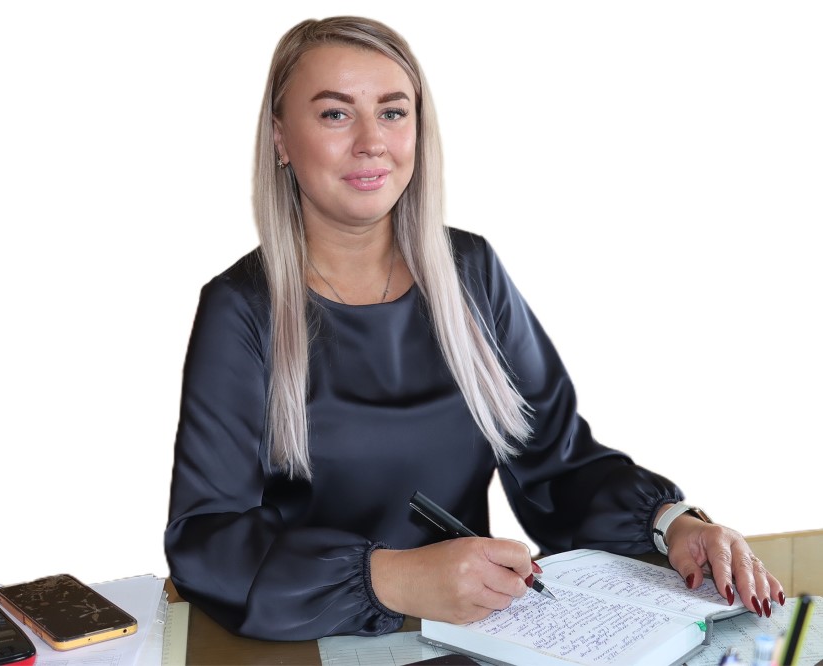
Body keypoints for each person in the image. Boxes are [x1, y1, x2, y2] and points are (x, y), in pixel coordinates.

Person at [163, 15, 783, 640]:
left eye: (393, 112)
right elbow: (207, 538)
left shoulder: (471, 272)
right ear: (280, 138)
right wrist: (393, 577)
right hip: (310, 642)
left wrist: (672, 523)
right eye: (335, 114)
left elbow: (557, 463)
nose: (372, 142)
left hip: (469, 638)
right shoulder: (240, 308)